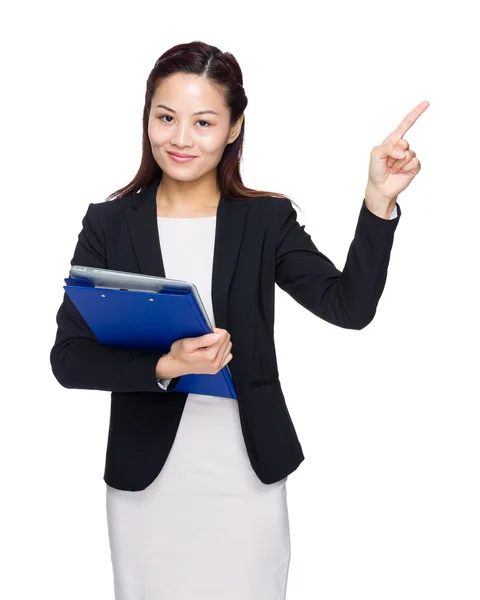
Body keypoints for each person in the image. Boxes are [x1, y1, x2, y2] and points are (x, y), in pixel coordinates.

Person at [50, 40, 428, 600]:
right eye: (165, 117)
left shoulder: (265, 219)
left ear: (233, 128)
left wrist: (378, 201)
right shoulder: (108, 223)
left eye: (203, 122)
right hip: (147, 481)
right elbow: (69, 358)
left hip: (244, 470)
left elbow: (349, 307)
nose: (180, 139)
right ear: (146, 118)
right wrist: (164, 365)